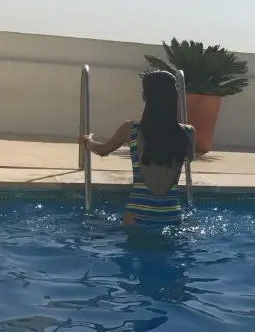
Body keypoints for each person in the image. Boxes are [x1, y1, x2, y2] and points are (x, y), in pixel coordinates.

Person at [80, 70, 194, 227]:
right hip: (172, 216)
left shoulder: (131, 129)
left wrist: (87, 142)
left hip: (137, 216)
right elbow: (189, 158)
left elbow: (103, 150)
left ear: (145, 96)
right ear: (174, 96)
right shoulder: (188, 132)